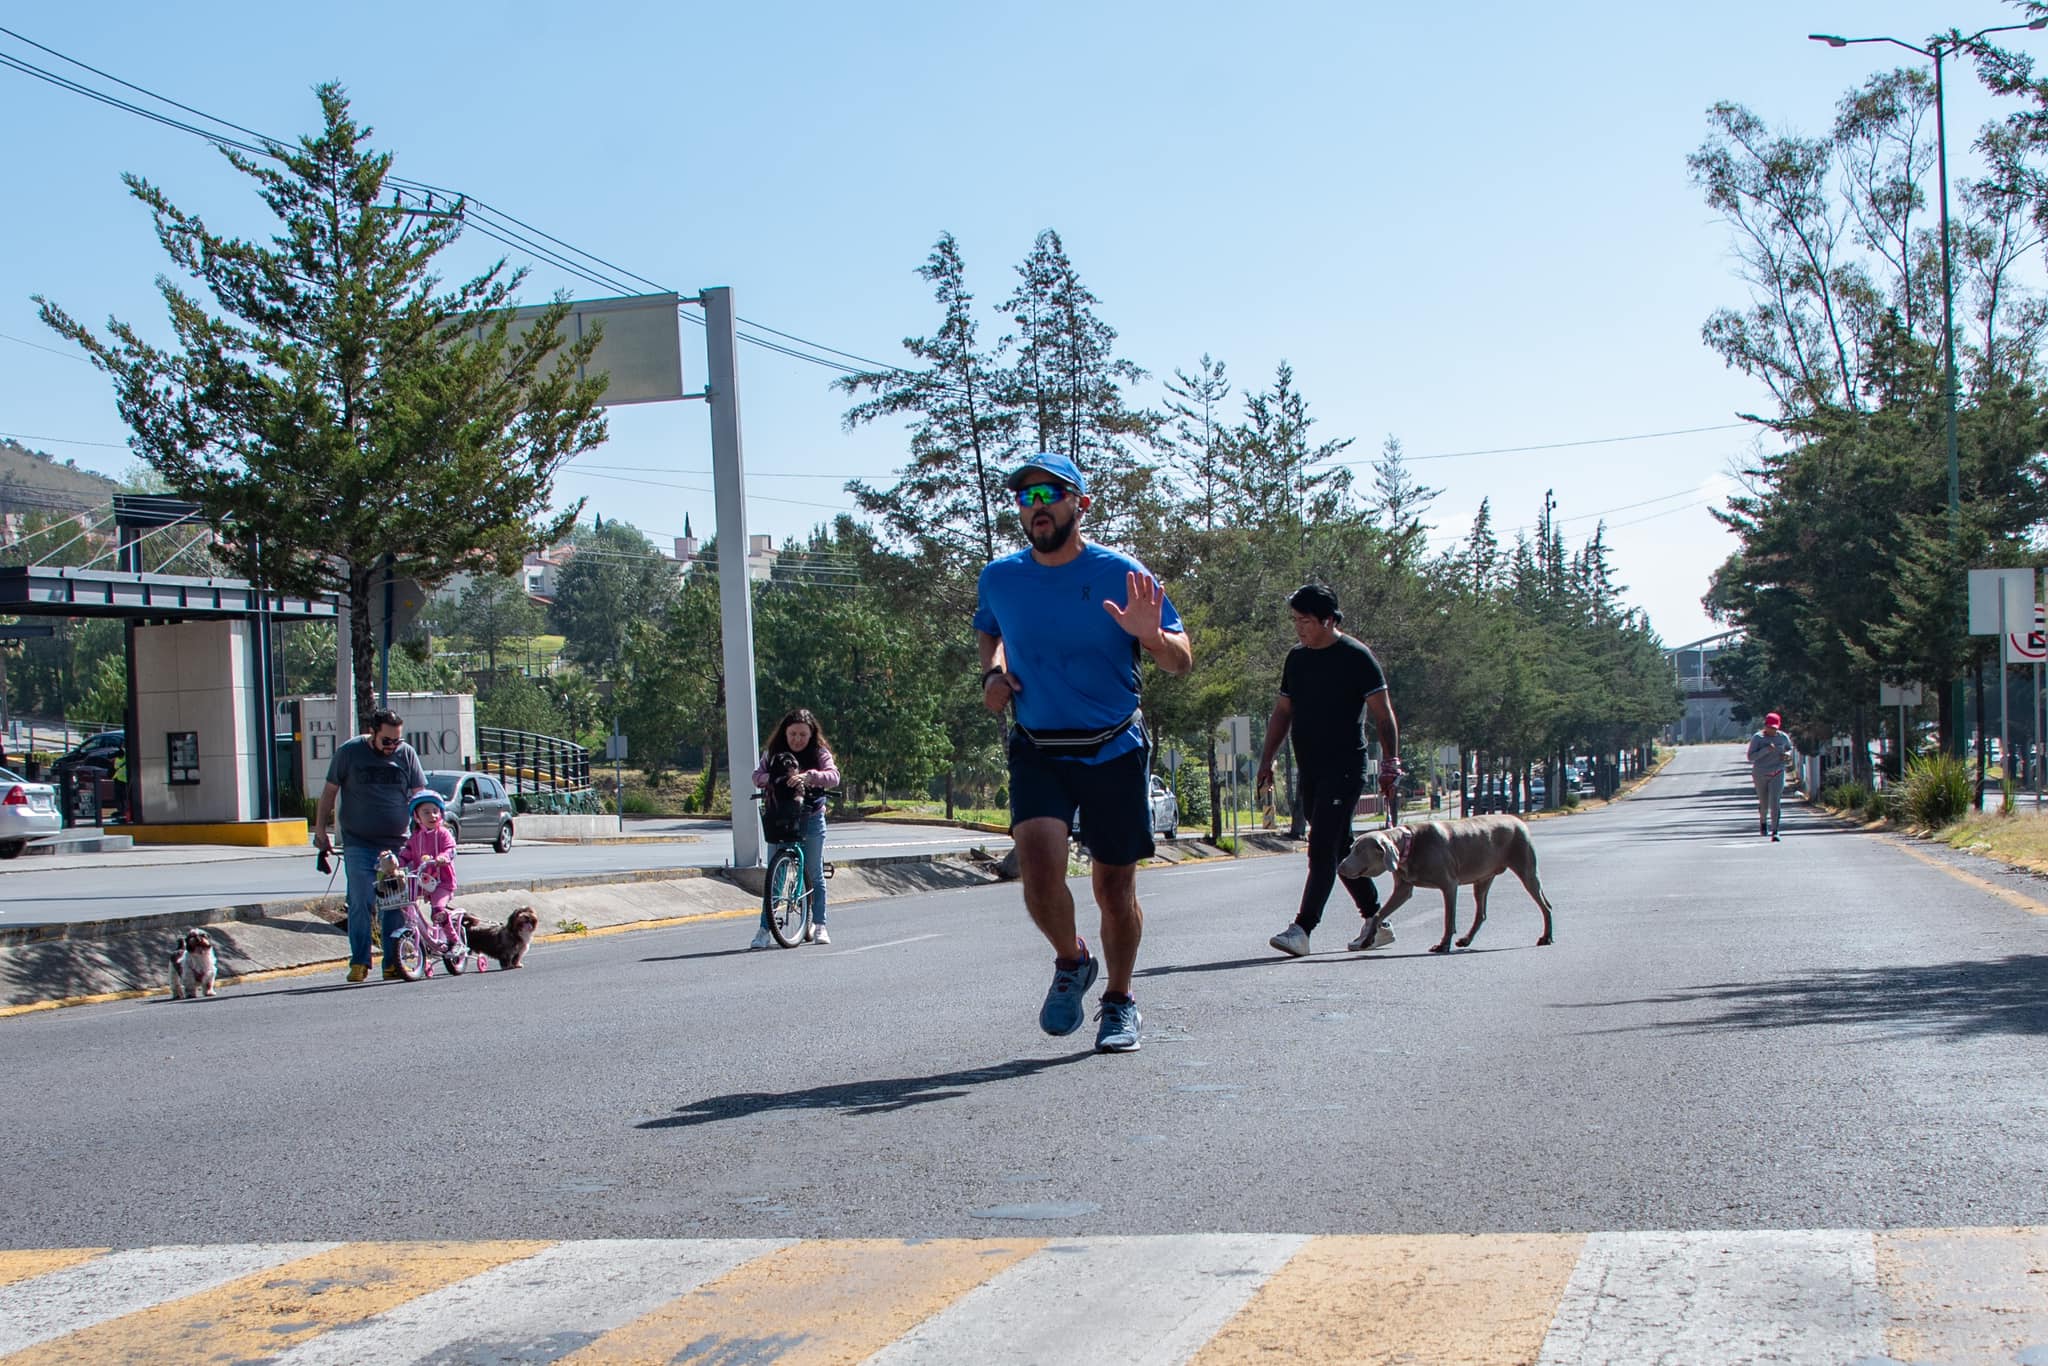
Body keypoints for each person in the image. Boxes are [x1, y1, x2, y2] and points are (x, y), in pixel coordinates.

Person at [976, 451, 1193, 1054]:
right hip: (1039, 745)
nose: (1037, 508)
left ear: (1081, 503)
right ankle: (1072, 959)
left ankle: (1120, 1001)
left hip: (1113, 747)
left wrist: (1150, 634)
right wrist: (993, 676)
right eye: (1026, 498)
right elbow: (989, 630)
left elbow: (1181, 659)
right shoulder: (1000, 577)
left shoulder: (1122, 573)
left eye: (1050, 495)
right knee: (1040, 875)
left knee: (1113, 890)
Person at [1255, 583, 1402, 958]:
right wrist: (1267, 758)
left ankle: (1302, 929)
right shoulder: (1297, 659)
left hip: (1346, 766)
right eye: (1295, 621)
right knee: (1338, 848)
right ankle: (1376, 920)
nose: (1299, 628)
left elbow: (1384, 716)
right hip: (1311, 768)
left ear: (1328, 620)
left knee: (1321, 847)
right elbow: (1282, 713)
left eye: (1305, 621)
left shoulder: (1356, 657)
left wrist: (1390, 763)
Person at [313, 707, 427, 981]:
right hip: (358, 842)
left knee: (395, 901)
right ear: (372, 732)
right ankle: (360, 961)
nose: (392, 747)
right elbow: (329, 792)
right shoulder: (349, 753)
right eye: (386, 740)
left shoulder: (406, 754)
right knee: (360, 900)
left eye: (396, 740)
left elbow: (419, 794)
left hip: (397, 844)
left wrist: (425, 834)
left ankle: (392, 960)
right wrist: (320, 831)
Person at [750, 708, 842, 948]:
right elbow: (757, 776)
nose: (797, 739)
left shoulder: (819, 753)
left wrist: (809, 777)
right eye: (793, 734)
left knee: (814, 871)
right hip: (780, 816)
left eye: (803, 734)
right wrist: (775, 778)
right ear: (785, 733)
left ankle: (820, 925)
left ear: (811, 734)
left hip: (810, 817)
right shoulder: (773, 753)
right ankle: (764, 929)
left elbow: (833, 776)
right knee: (775, 877)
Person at [399, 790, 460, 948]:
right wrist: (394, 865)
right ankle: (425, 933)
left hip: (442, 882)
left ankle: (454, 940)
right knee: (405, 902)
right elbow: (405, 854)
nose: (432, 816)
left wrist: (444, 857)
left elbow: (451, 849)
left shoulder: (444, 834)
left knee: (438, 910)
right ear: (417, 817)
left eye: (435, 811)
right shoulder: (415, 837)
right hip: (422, 881)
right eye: (426, 812)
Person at [1747, 711, 1798, 842]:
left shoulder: (1782, 737)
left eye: (1775, 728)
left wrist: (1786, 754)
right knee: (1764, 804)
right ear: (1765, 726)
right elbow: (1750, 757)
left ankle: (1775, 831)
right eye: (1770, 727)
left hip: (1778, 772)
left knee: (1775, 802)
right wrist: (1765, 750)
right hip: (1761, 773)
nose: (1772, 730)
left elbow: (1790, 748)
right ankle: (1763, 822)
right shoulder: (1758, 738)